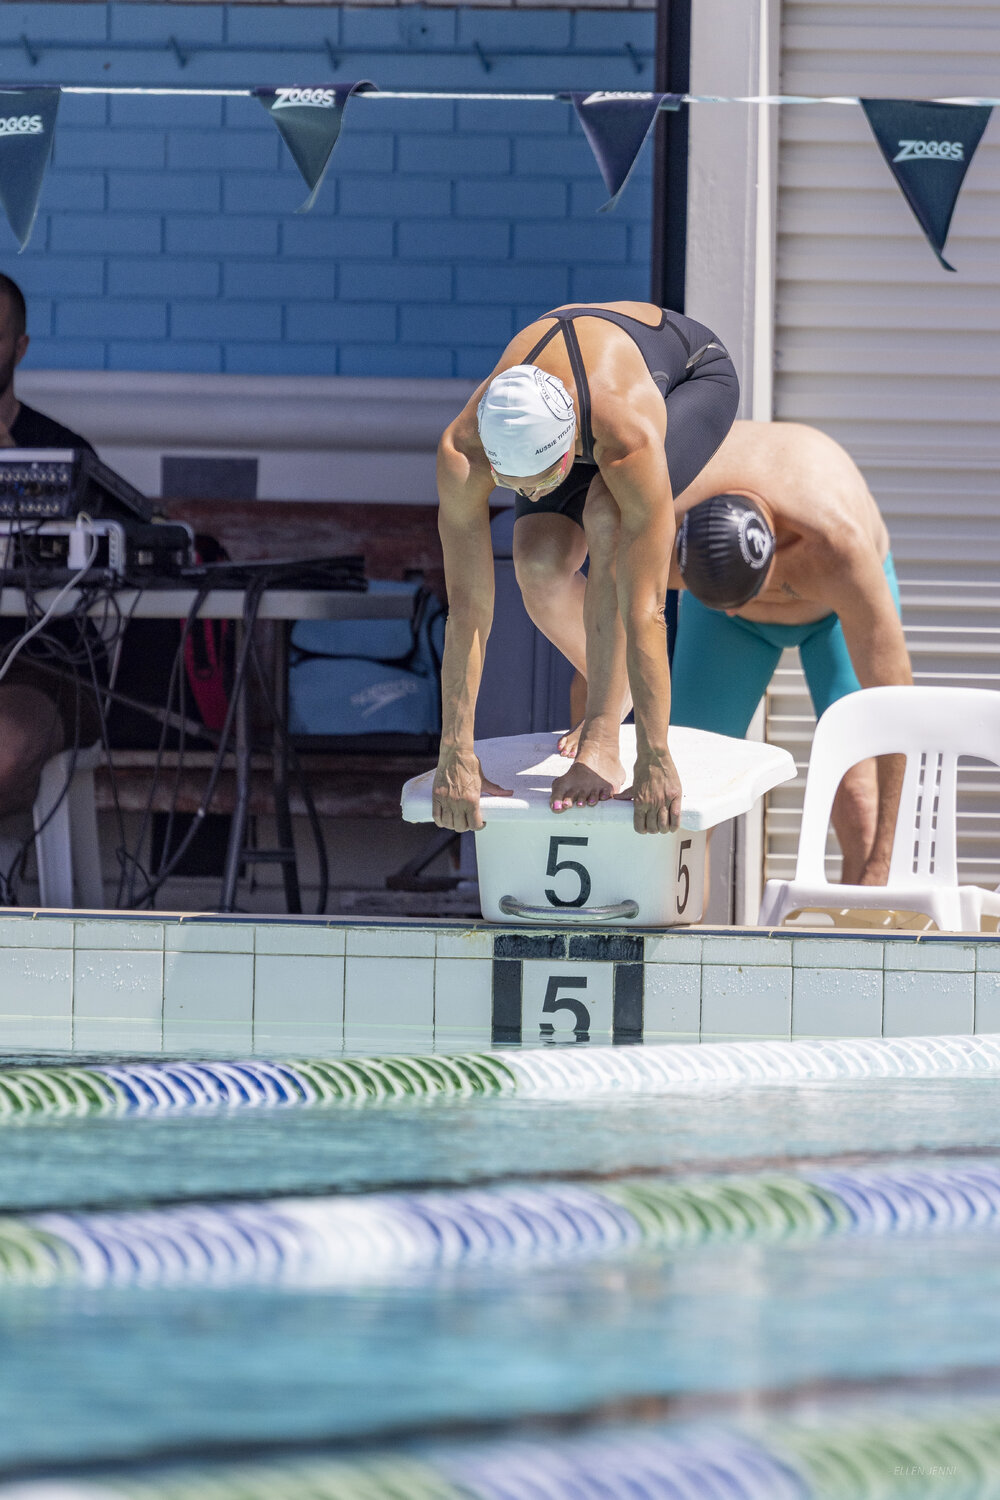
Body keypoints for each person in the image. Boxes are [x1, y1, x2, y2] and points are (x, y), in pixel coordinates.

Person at [530, 420, 913, 886]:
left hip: (830, 616)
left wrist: (882, 864)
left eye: (744, 601)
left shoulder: (836, 546)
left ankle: (862, 919)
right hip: (722, 623)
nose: (736, 614)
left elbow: (895, 710)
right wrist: (593, 735)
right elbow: (601, 633)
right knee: (684, 804)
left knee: (857, 798)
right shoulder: (657, 519)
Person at [432, 300, 740, 836]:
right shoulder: (464, 450)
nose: (527, 495)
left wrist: (655, 754)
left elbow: (646, 609)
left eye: (539, 481)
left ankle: (604, 732)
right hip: (571, 405)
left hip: (687, 378)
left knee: (608, 515)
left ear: (568, 445)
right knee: (537, 564)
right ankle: (613, 690)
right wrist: (455, 751)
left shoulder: (626, 435)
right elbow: (466, 609)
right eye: (516, 485)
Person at [0, 272, 100, 819]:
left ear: (20, 348)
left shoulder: (64, 453)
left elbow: (104, 570)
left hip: (44, 667)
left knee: (8, 744)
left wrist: (14, 466)